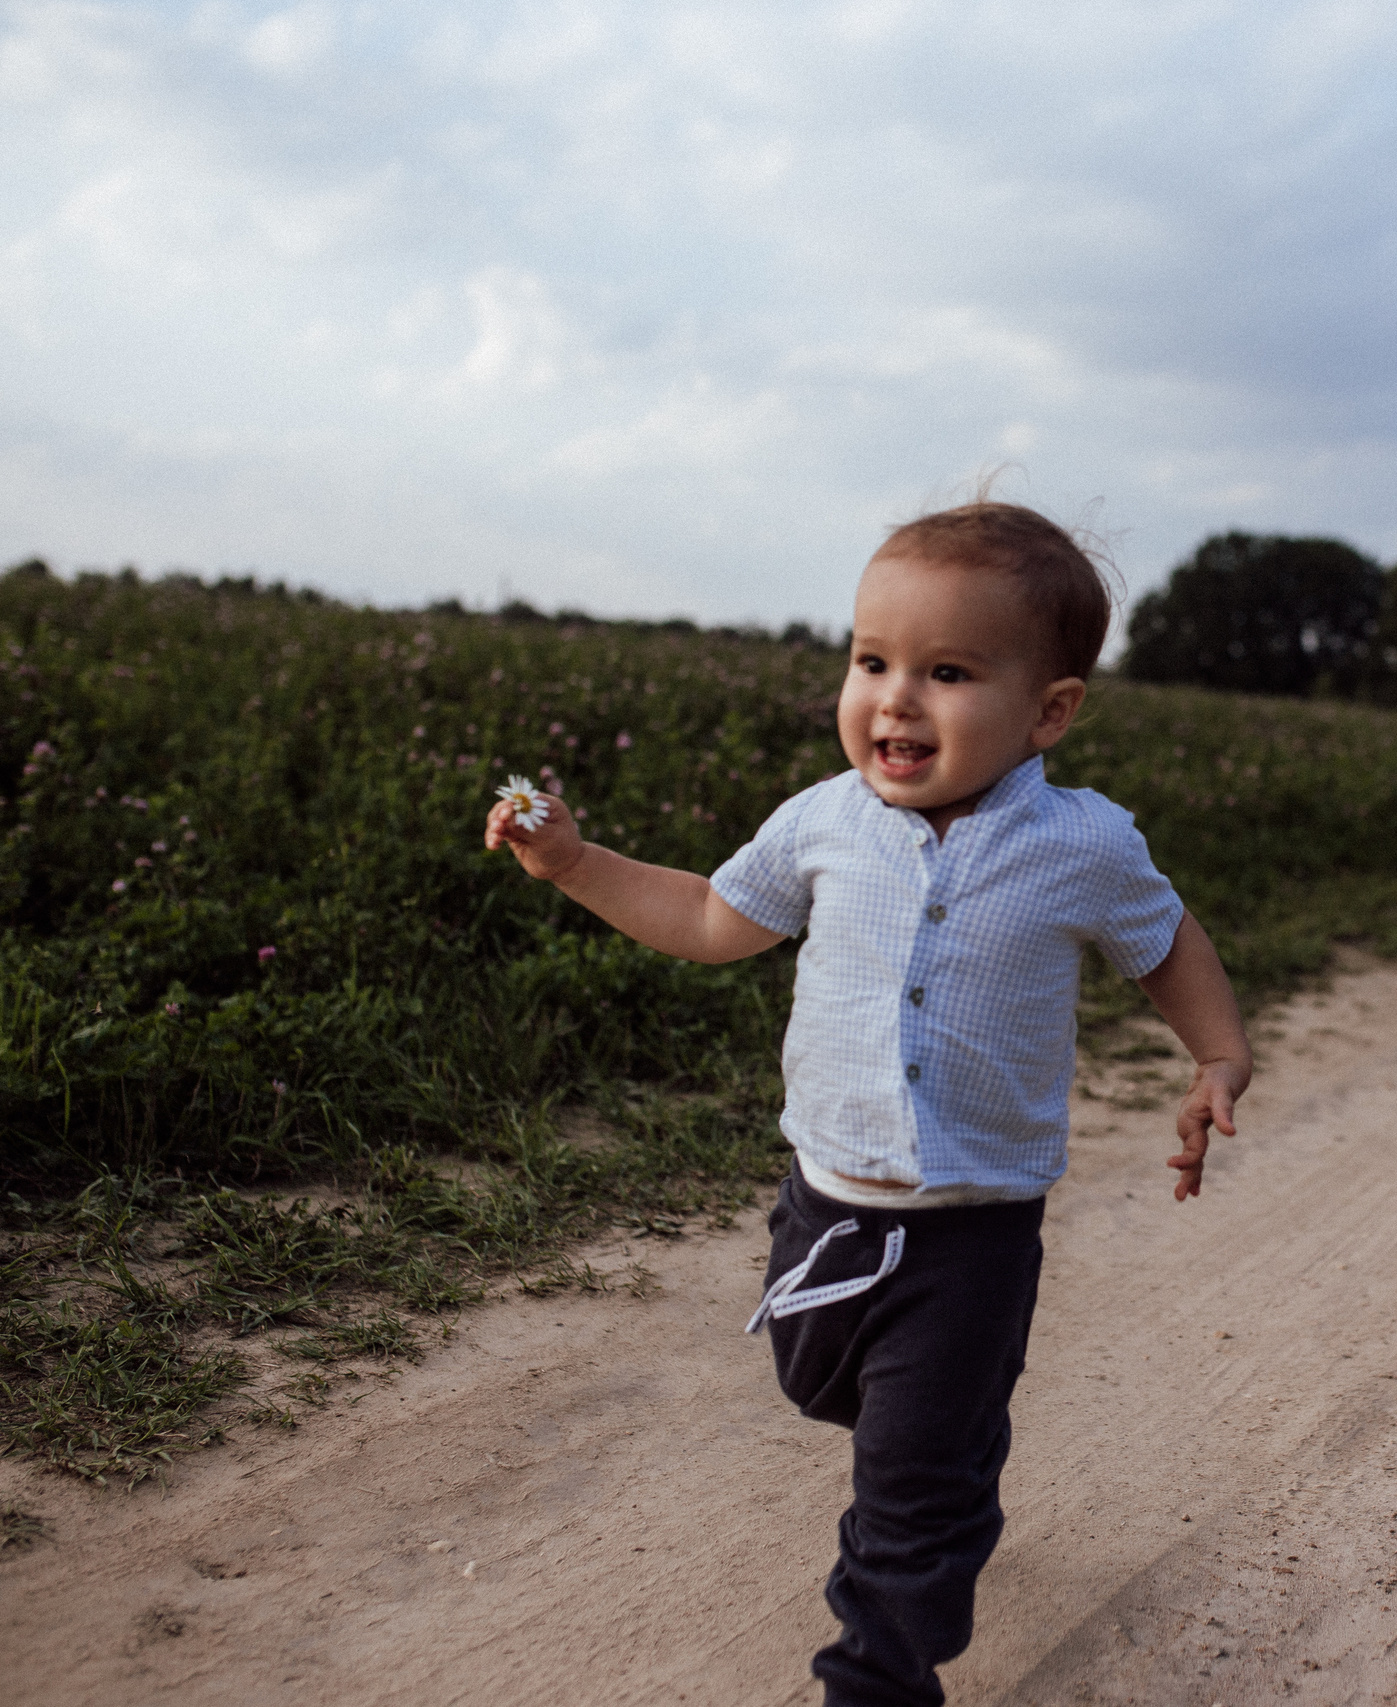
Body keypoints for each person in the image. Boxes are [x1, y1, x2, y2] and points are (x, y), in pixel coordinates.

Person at [483, 502, 1253, 1707]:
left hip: (975, 1226)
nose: (893, 700)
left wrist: (1216, 1054)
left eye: (946, 673)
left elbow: (1163, 943)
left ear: (1048, 711)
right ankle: (952, 1460)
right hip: (827, 1203)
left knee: (904, 1479)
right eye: (871, 661)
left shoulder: (1081, 844)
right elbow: (705, 920)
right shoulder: (821, 823)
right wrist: (577, 865)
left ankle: (878, 1670)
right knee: (820, 1390)